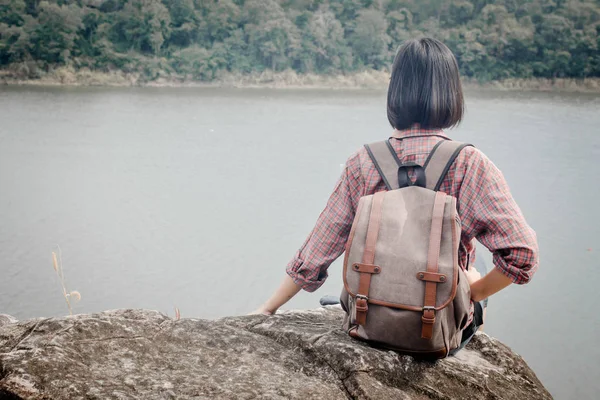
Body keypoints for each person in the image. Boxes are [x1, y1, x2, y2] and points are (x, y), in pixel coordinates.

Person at [252, 38, 539, 350]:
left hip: (367, 322)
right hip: (434, 331)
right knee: (476, 261)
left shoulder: (362, 162)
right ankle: (473, 322)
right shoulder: (470, 164)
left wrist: (268, 308)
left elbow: (317, 250)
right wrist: (474, 291)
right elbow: (521, 253)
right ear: (451, 92)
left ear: (395, 91)